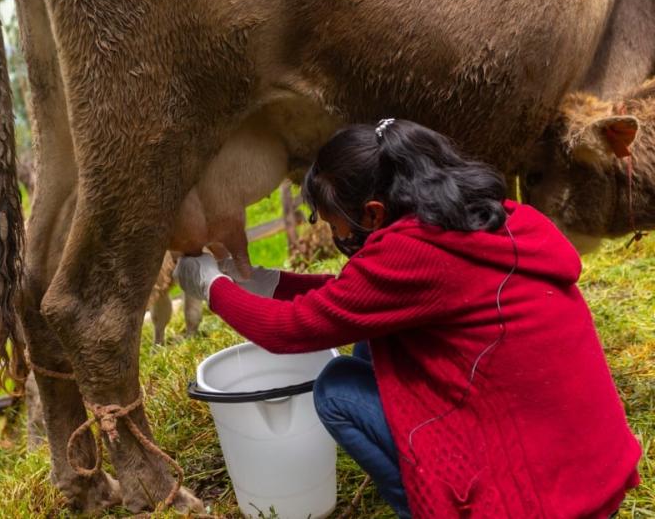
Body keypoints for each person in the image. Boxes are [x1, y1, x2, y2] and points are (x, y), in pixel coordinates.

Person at [175, 119, 640, 518]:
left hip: (540, 503)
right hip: (595, 474)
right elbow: (361, 298)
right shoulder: (494, 220)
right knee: (371, 344)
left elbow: (285, 331)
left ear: (372, 213)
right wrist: (271, 283)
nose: (338, 236)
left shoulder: (413, 255)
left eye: (337, 225)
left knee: (337, 386)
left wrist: (213, 288)